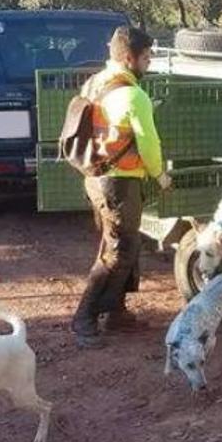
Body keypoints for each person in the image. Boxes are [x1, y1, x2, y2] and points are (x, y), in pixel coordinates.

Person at [71, 25, 171, 349]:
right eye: (146, 57)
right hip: (118, 181)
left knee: (124, 245)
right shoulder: (134, 95)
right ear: (129, 58)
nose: (149, 63)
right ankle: (84, 318)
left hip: (97, 176)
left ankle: (116, 311)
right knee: (118, 251)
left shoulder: (96, 82)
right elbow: (149, 143)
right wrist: (160, 176)